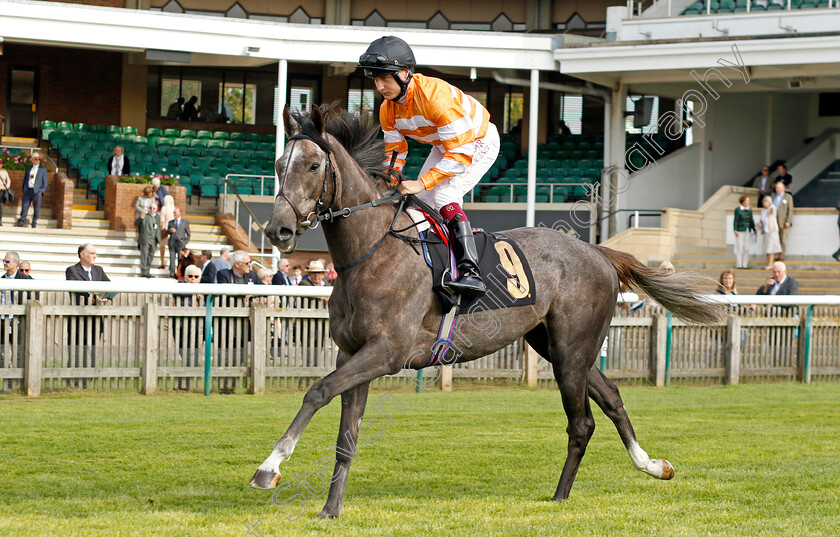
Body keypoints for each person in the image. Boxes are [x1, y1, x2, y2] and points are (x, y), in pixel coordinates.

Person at [358, 36, 500, 297]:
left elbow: (460, 153)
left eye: (385, 79)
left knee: (444, 194)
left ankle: (470, 271)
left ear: (404, 73)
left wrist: (422, 181)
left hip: (476, 141)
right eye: (375, 80)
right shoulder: (387, 109)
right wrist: (389, 176)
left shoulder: (435, 97)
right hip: (446, 146)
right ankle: (438, 267)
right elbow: (395, 151)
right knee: (419, 202)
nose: (380, 86)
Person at [65, 243, 110, 387]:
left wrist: (105, 296)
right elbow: (74, 286)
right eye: (92, 253)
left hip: (96, 318)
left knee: (91, 349)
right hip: (79, 317)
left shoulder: (99, 270)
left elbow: (108, 285)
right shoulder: (72, 270)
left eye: (95, 253)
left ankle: (86, 381)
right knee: (76, 349)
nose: (95, 256)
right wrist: (91, 292)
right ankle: (72, 381)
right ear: (82, 255)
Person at [0, 252, 32, 378]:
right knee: (2, 351)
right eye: (4, 261)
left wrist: (20, 318)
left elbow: (32, 298)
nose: (4, 263)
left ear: (16, 263)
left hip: (17, 322)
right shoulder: (2, 279)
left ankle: (16, 383)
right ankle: (5, 380)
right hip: (3, 321)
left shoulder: (25, 280)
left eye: (7, 261)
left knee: (18, 351)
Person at [172, 264, 203, 389]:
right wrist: (193, 292)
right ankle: (182, 384)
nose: (193, 279)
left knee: (194, 358)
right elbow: (176, 292)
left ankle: (184, 384)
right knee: (184, 355)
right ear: (185, 277)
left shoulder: (204, 290)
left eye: (196, 277)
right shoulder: (180, 286)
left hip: (197, 329)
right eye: (190, 276)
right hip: (181, 327)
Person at [17, 152, 48, 228]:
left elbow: (45, 181)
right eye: (35, 159)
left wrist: (42, 190)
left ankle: (34, 222)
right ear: (32, 160)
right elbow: (25, 179)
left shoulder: (42, 169)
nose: (37, 160)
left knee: (36, 207)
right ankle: (22, 221)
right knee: (25, 206)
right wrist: (24, 188)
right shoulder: (29, 168)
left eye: (38, 159)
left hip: (37, 191)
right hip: (28, 190)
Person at [135, 203, 160, 278]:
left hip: (154, 239)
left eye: (153, 208)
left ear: (156, 209)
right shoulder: (144, 215)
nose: (152, 209)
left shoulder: (157, 217)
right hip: (145, 238)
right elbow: (136, 223)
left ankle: (147, 271)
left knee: (151, 255)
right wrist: (140, 218)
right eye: (150, 208)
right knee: (144, 255)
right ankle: (144, 271)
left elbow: (158, 228)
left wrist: (158, 238)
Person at [757, 195, 782, 269]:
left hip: (772, 231)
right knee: (766, 248)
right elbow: (762, 220)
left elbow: (772, 210)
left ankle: (771, 264)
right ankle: (769, 263)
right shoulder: (763, 210)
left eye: (766, 201)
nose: (764, 203)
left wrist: (770, 208)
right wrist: (759, 224)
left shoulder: (772, 207)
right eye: (764, 201)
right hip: (765, 231)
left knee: (771, 248)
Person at [772, 181, 794, 260]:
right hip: (774, 220)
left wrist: (788, 220)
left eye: (779, 188)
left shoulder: (787, 197)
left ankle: (782, 255)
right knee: (775, 238)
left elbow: (790, 210)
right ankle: (776, 255)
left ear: (783, 188)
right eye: (777, 188)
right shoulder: (773, 196)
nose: (778, 189)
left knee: (783, 239)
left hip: (784, 220)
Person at [167, 207, 191, 278]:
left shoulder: (184, 222)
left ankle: (179, 272)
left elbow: (188, 234)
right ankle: (172, 273)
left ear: (179, 213)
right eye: (173, 213)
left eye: (175, 213)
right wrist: (169, 230)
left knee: (180, 259)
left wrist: (185, 242)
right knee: (172, 258)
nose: (174, 214)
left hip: (180, 244)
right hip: (172, 243)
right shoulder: (171, 222)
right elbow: (167, 231)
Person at [733, 194, 756, 269]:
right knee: (740, 248)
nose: (748, 202)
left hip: (747, 230)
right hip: (740, 230)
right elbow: (735, 220)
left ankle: (745, 264)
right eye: (747, 200)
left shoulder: (749, 210)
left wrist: (753, 228)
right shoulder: (738, 209)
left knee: (746, 248)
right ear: (742, 202)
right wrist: (735, 229)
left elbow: (751, 220)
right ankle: (739, 264)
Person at [159, 195, 176, 269]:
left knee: (162, 247)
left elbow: (161, 220)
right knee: (171, 249)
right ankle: (171, 264)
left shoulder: (164, 208)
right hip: (172, 231)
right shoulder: (174, 208)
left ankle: (162, 262)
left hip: (164, 230)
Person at [0, 158, 11, 224]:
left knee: (0, 205)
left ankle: (0, 219)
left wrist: (6, 186)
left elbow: (8, 180)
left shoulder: (4, 171)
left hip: (2, 191)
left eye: (1, 163)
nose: (1, 164)